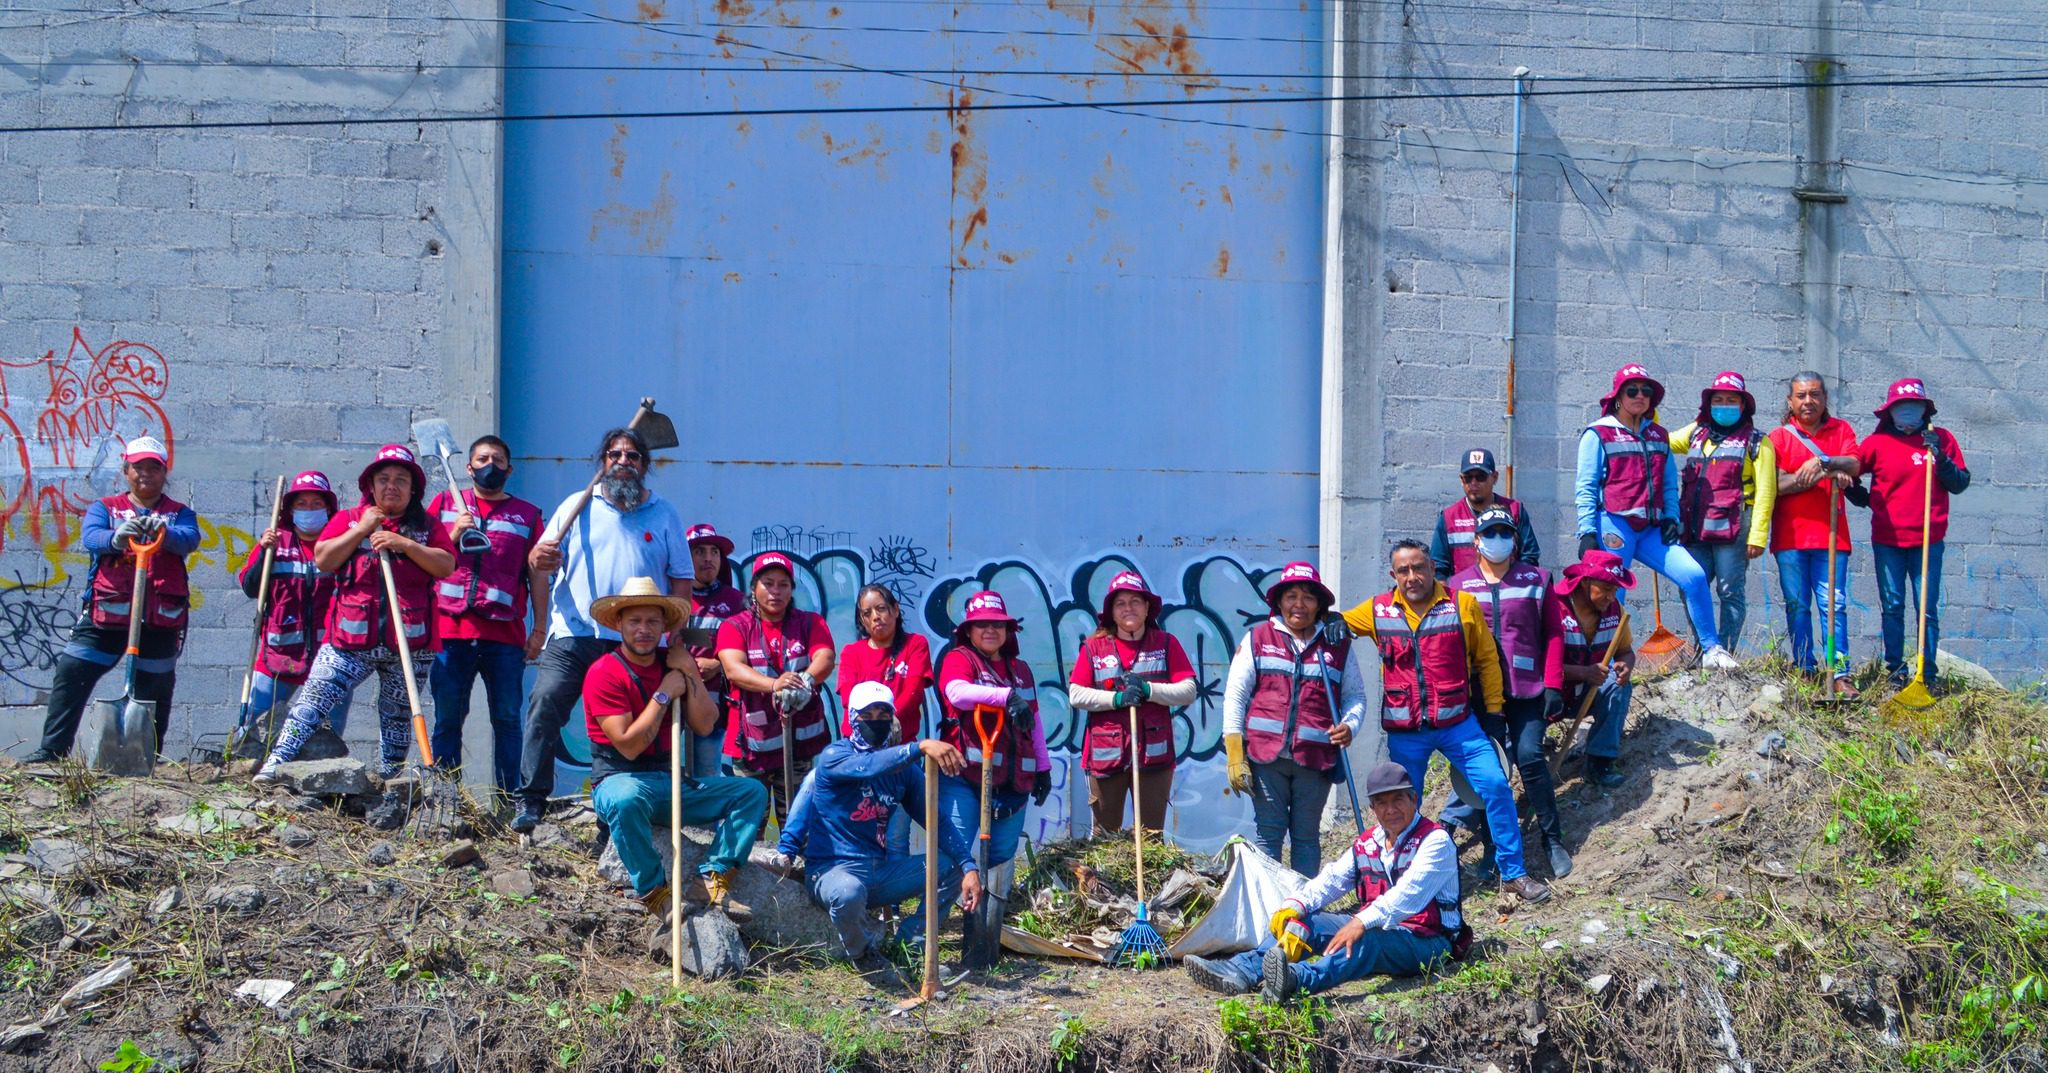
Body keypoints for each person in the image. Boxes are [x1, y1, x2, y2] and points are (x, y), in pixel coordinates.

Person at [1339, 541, 1551, 903]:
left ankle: (1513, 874)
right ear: (1393, 575)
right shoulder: (1377, 610)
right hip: (1406, 733)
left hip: (1459, 725)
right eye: (1403, 571)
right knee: (1403, 806)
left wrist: (1495, 713)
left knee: (1497, 786)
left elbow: (1486, 660)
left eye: (1418, 568)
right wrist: (1328, 624)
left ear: (1432, 568)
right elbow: (1337, 624)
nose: (1412, 577)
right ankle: (1404, 882)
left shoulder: (1461, 604)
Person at [514, 428, 695, 833]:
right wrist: (536, 564)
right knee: (546, 704)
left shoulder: (663, 512)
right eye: (615, 455)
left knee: (635, 725)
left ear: (645, 467)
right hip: (574, 631)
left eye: (633, 456)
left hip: (636, 641)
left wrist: (674, 629)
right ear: (603, 463)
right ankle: (530, 800)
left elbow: (681, 578)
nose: (624, 462)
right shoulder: (576, 507)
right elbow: (540, 566)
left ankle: (621, 805)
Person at [1182, 761, 1468, 1000]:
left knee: (1367, 940)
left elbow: (1408, 896)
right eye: (1382, 803)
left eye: (1398, 800)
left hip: (1429, 942)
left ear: (1414, 799)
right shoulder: (1369, 842)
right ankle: (1241, 971)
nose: (1391, 810)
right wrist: (1296, 905)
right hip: (1379, 928)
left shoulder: (1436, 842)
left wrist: (1359, 922)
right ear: (1372, 809)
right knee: (1308, 923)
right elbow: (1332, 879)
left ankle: (1295, 980)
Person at [256, 445, 457, 782]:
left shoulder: (426, 526)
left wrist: (405, 544)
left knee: (397, 717)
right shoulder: (348, 519)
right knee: (313, 700)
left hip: (410, 643)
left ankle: (391, 781)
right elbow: (325, 559)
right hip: (349, 641)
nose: (391, 486)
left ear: (413, 489)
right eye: (383, 479)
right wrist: (362, 529)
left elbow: (446, 565)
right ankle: (274, 765)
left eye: (400, 480)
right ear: (371, 486)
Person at [581, 577, 762, 921]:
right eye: (634, 621)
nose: (644, 629)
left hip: (668, 783)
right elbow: (631, 746)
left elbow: (706, 724)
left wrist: (689, 670)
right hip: (618, 781)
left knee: (749, 791)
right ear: (619, 624)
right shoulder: (603, 672)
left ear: (665, 625)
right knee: (626, 798)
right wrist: (664, 692)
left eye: (652, 621)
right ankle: (655, 892)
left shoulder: (673, 662)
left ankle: (710, 878)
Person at [26, 436, 201, 761]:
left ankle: (144, 757)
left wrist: (164, 534)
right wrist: (116, 537)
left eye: (153, 467)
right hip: (107, 613)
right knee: (71, 670)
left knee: (156, 688)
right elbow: (92, 538)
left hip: (160, 618)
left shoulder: (179, 513)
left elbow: (190, 540)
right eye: (138, 467)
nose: (145, 474)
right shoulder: (105, 508)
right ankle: (52, 750)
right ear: (126, 471)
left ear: (165, 473)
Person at [800, 681, 981, 982]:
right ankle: (865, 956)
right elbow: (869, 766)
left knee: (950, 865)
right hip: (831, 874)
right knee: (848, 892)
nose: (875, 721)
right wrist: (919, 746)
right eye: (866, 715)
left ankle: (910, 943)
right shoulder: (835, 756)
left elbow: (936, 820)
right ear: (852, 719)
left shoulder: (905, 772)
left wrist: (968, 865)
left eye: (883, 714)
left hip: (879, 874)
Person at [1573, 363, 1740, 672]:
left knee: (1694, 576)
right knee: (1612, 594)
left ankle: (1712, 649)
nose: (1640, 396)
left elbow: (1669, 484)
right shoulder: (1598, 433)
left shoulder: (1658, 434)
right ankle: (1605, 661)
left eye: (1646, 391)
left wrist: (1671, 518)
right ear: (1618, 396)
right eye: (1632, 390)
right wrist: (1586, 532)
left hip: (1652, 529)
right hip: (1613, 523)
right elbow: (1585, 485)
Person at [1443, 508, 1572, 879]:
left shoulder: (1537, 579)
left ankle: (1552, 840)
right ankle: (1493, 850)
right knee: (1489, 774)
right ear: (1476, 540)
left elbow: (1553, 633)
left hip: (1527, 690)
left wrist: (1553, 684)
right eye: (1490, 532)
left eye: (1504, 532)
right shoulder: (1458, 585)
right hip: (1480, 696)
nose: (1497, 539)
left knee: (1530, 758)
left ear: (1515, 539)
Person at [1221, 561, 1366, 876]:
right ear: (1279, 602)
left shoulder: (1337, 645)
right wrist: (1235, 751)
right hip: (1265, 758)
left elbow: (1355, 696)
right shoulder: (1257, 638)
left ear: (1319, 605)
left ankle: (1302, 913)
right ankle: (1268, 911)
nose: (1299, 604)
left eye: (1308, 597)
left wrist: (1350, 726)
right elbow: (1235, 695)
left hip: (1315, 760)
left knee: (1306, 837)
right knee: (1268, 833)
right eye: (1291, 596)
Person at [428, 435, 547, 794]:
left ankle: (511, 801)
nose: (489, 465)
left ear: (509, 470)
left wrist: (539, 629)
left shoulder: (527, 515)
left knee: (508, 719)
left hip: (504, 637)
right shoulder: (446, 504)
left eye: (497, 459)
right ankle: (447, 800)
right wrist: (453, 532)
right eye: (481, 459)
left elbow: (538, 574)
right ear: (468, 467)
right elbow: (425, 558)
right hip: (450, 631)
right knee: (448, 719)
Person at [934, 590, 1051, 927]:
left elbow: (1035, 721)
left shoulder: (1022, 670)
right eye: (981, 624)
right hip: (966, 776)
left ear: (1007, 631)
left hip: (1014, 780)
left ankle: (987, 930)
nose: (990, 630)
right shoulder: (959, 658)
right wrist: (1004, 696)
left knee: (1000, 858)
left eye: (997, 625)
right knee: (952, 855)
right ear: (968, 631)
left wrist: (1043, 768)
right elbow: (956, 691)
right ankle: (928, 932)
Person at [1851, 378, 1970, 687]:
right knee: (1892, 606)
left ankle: (1926, 673)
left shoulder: (1940, 438)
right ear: (1890, 411)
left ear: (1924, 410)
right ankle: (1894, 671)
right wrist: (1863, 498)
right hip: (1888, 540)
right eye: (1901, 407)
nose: (1907, 412)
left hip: (1928, 541)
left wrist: (1940, 458)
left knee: (1926, 609)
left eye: (1913, 406)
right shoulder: (1877, 443)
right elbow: (1851, 472)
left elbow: (1960, 483)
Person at [1066, 570, 1197, 835]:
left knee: (1151, 838)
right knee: (1105, 839)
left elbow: (1188, 690)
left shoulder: (1165, 643)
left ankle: (1150, 880)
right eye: (1121, 603)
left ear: (1148, 608)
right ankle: (1102, 880)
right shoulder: (1093, 647)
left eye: (1136, 601)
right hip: (1106, 757)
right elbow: (1076, 694)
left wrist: (1148, 690)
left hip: (1154, 759)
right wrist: (1116, 699)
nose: (1129, 608)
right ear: (1111, 612)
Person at [715, 551, 835, 820]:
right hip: (750, 747)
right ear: (754, 587)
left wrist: (805, 680)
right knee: (749, 824)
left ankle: (797, 863)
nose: (775, 591)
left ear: (792, 589)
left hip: (797, 746)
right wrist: (775, 684)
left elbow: (825, 657)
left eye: (783, 584)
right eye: (768, 583)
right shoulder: (735, 626)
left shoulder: (809, 622)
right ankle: (748, 864)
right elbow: (733, 669)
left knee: (797, 822)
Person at [232, 470, 343, 750]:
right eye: (301, 504)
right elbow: (250, 587)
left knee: (328, 741)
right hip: (278, 655)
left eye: (316, 504)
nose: (309, 511)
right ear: (290, 510)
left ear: (328, 509)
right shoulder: (276, 543)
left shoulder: (341, 545)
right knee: (251, 733)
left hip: (329, 658)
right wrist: (262, 551)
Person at [1766, 372, 1862, 696]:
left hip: (1832, 538)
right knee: (1796, 605)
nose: (1809, 401)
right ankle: (1805, 667)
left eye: (1815, 395)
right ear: (1790, 401)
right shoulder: (1778, 438)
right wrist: (1816, 473)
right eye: (1802, 395)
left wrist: (1826, 462)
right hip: (1790, 538)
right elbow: (1775, 484)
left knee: (1833, 604)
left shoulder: (1841, 430)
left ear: (1824, 399)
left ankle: (1839, 671)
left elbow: (1854, 464)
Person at [1669, 372, 1777, 655]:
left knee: (1730, 591)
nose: (1724, 405)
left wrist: (1758, 536)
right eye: (1718, 400)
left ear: (1743, 406)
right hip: (1694, 527)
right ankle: (1705, 648)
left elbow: (1766, 491)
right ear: (1709, 404)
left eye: (1732, 400)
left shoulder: (1757, 442)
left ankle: (1724, 651)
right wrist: (1647, 413)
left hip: (1735, 527)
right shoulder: (1696, 432)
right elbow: (1662, 441)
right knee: (1691, 585)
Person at [1549, 550, 1638, 788]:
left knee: (1617, 686)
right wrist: (1583, 673)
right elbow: (1536, 666)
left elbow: (1626, 652)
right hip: (1549, 696)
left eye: (1615, 590)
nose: (1611, 596)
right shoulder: (1551, 607)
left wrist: (1625, 666)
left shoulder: (1614, 610)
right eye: (1606, 589)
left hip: (1588, 694)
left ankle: (1599, 763)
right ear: (1585, 582)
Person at [683, 523, 746, 778]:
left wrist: (719, 665)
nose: (708, 558)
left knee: (707, 773)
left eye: (714, 552)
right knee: (663, 774)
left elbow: (751, 652)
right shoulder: (672, 598)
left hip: (715, 704)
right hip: (670, 701)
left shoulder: (737, 602)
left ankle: (705, 821)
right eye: (699, 551)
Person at [1429, 447, 1540, 578]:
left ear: (1495, 477)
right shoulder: (1449, 517)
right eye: (1468, 478)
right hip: (1464, 594)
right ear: (1461, 479)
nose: (1474, 483)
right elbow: (1438, 568)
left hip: (1508, 592)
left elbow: (1529, 556)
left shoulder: (1515, 510)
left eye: (1480, 477)